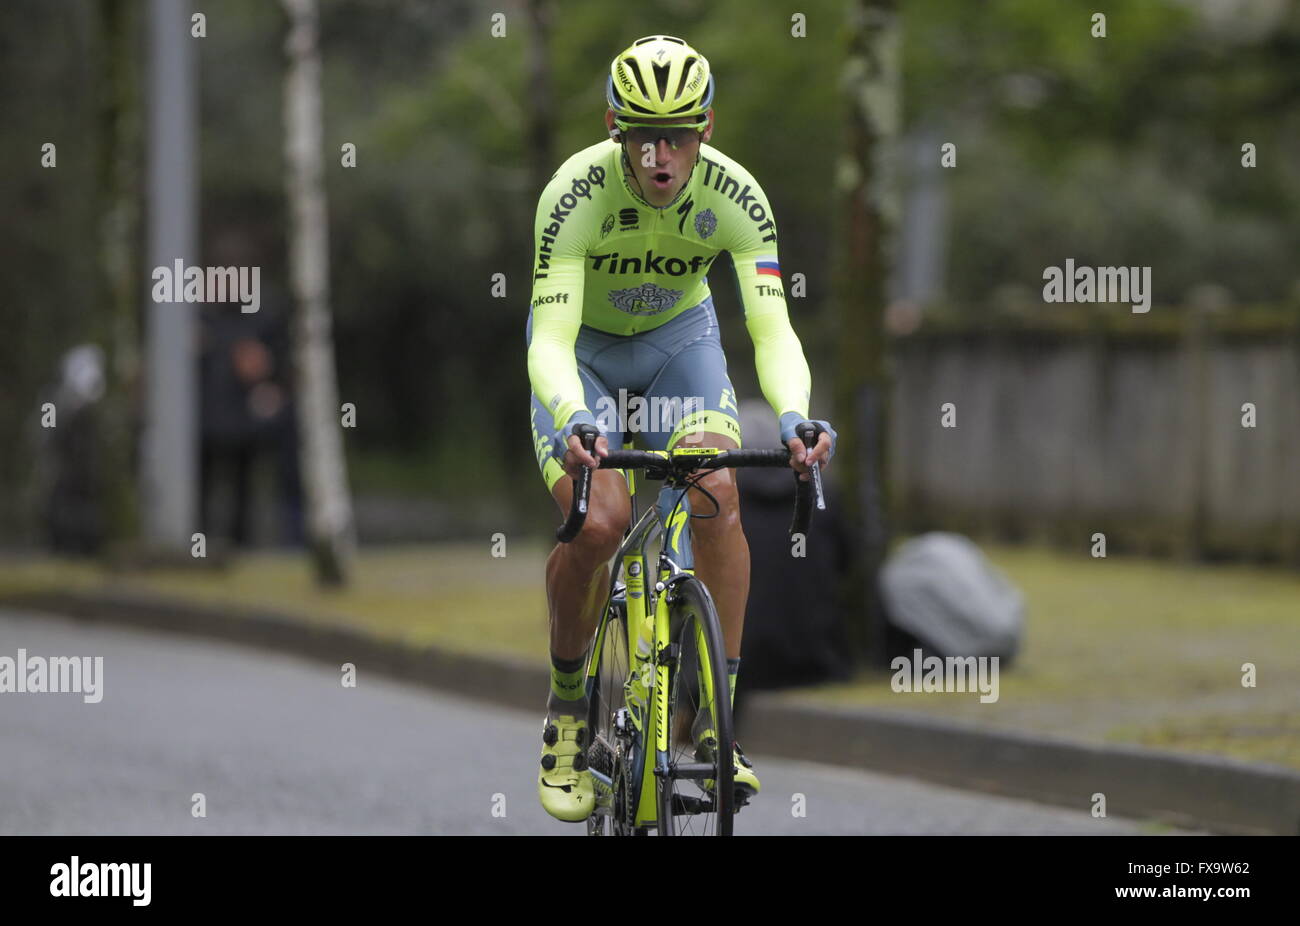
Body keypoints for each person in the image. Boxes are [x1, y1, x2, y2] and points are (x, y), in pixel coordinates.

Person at [526, 34, 837, 823]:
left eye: (681, 135)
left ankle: (717, 726)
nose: (662, 157)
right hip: (584, 357)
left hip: (680, 352)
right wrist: (573, 418)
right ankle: (568, 713)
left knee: (718, 495)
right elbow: (551, 342)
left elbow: (771, 329)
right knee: (599, 523)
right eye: (642, 136)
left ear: (706, 130)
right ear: (613, 128)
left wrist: (796, 417)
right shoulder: (574, 194)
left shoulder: (736, 196)